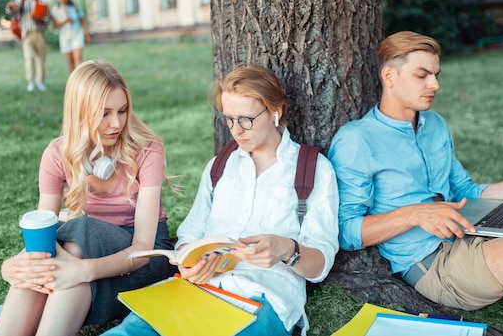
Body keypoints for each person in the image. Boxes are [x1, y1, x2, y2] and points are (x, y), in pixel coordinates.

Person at [328, 31, 503, 314]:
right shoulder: (356, 140)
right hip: (432, 261)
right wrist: (413, 214)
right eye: (422, 75)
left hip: (472, 227)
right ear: (389, 76)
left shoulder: (434, 124)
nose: (434, 84)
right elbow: (344, 231)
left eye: (436, 74)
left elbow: (465, 190)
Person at [103, 63, 340, 336]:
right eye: (228, 119)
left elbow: (321, 263)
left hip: (261, 299)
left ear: (276, 112)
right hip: (195, 290)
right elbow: (190, 236)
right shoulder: (220, 165)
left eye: (246, 120)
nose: (236, 130)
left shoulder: (312, 168)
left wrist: (286, 249)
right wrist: (190, 266)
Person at [0, 60, 178, 336]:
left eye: (122, 110)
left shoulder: (147, 149)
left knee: (78, 232)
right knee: (59, 253)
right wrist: (10, 268)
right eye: (104, 113)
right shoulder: (57, 154)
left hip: (145, 254)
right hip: (86, 250)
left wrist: (82, 271)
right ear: (81, 113)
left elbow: (142, 248)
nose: (116, 123)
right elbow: (45, 235)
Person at [7, 0, 52, 92]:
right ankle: (30, 81)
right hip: (27, 32)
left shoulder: (44, 2)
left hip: (39, 32)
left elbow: (47, 19)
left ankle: (40, 81)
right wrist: (11, 6)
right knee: (29, 57)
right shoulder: (23, 0)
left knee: (41, 58)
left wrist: (40, 19)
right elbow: (10, 10)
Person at [52, 0, 91, 74]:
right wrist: (65, 21)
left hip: (77, 33)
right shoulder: (56, 8)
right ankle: (73, 80)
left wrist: (87, 34)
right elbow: (55, 25)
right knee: (70, 60)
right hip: (65, 34)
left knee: (78, 58)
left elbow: (82, 21)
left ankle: (80, 78)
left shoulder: (75, 6)